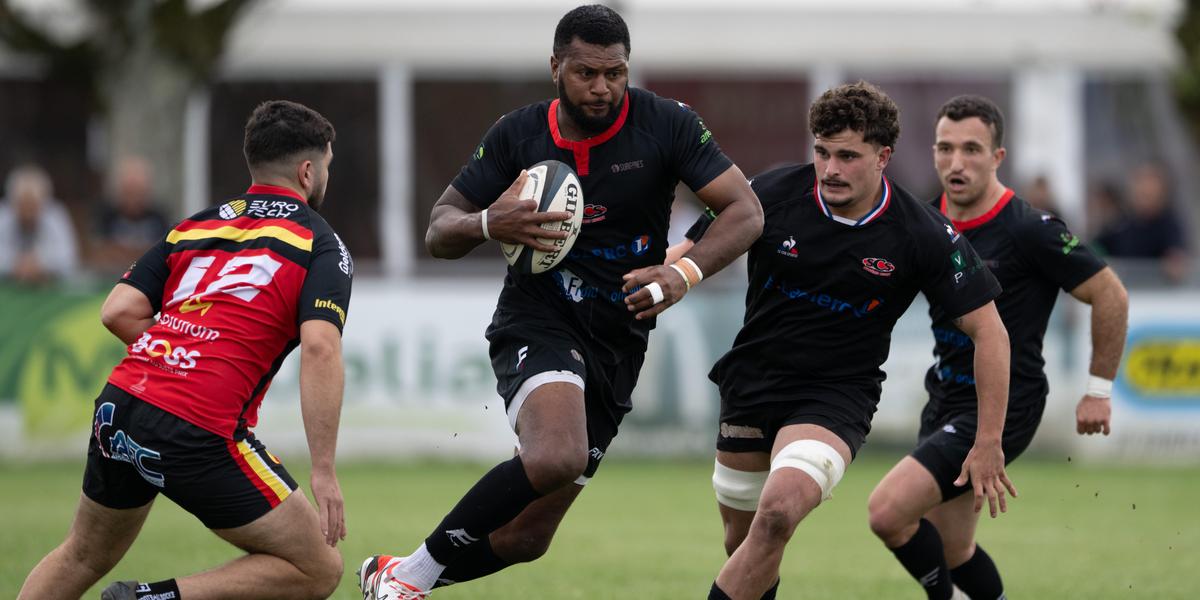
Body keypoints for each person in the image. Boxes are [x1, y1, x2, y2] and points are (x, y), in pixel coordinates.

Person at [357, 5, 762, 599]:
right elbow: (439, 229)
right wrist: (487, 222)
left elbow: (745, 210)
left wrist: (685, 273)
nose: (602, 88)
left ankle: (389, 574)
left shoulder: (666, 124)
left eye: (615, 73)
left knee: (526, 537)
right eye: (585, 73)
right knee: (556, 457)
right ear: (555, 68)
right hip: (538, 317)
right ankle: (408, 581)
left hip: (620, 335)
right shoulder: (517, 134)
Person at [671, 81, 1013, 600]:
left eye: (848, 156)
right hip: (751, 383)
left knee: (777, 513)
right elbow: (686, 253)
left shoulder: (921, 232)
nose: (830, 169)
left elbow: (990, 331)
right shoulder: (769, 193)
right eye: (822, 153)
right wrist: (649, 283)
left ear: (883, 157)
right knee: (744, 544)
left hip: (835, 396)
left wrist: (988, 441)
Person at [17, 100, 353, 600]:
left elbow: (117, 310)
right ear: (307, 171)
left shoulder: (197, 224)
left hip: (122, 403)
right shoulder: (321, 244)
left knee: (82, 554)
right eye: (326, 165)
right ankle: (150, 599)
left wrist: (177, 352)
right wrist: (323, 471)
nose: (326, 176)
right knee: (317, 568)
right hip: (198, 427)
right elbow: (321, 349)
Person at [867, 95, 1129, 600]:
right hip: (945, 397)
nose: (956, 162)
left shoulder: (1029, 229)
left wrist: (1098, 390)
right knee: (952, 549)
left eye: (971, 149)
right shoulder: (925, 222)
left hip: (1005, 405)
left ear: (997, 157)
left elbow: (1110, 294)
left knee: (888, 511)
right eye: (945, 148)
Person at [1094, 161, 1190, 283]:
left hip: (1154, 291)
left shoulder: (1170, 224)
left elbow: (1176, 258)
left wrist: (1174, 263)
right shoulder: (1122, 222)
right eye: (1139, 183)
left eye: (1149, 186)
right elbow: (1096, 247)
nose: (1143, 189)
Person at [0, 163, 79, 284]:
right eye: (23, 205)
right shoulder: (3, 215)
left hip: (50, 286)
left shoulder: (56, 215)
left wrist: (40, 264)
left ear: (43, 202)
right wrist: (15, 265)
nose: (28, 213)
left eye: (32, 206)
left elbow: (69, 258)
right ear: (13, 203)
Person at [92, 156, 171, 274]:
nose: (134, 199)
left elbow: (165, 254)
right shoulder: (106, 216)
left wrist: (121, 251)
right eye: (129, 192)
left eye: (139, 193)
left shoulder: (159, 218)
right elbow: (99, 254)